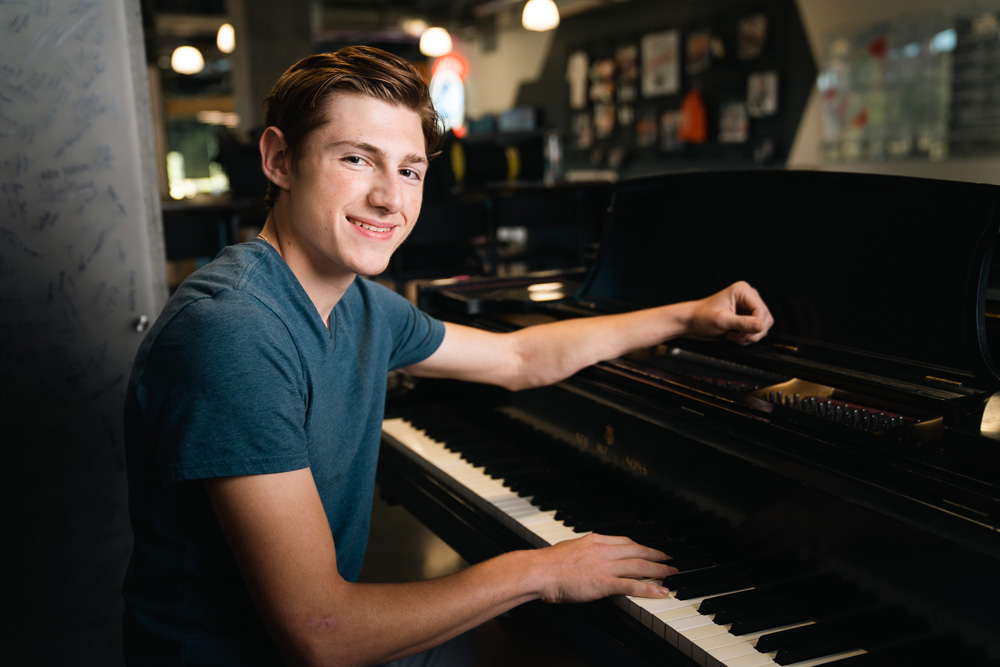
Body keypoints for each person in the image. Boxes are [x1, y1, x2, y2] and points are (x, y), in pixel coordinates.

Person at [122, 45, 774, 666]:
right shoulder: (232, 330)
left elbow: (519, 359)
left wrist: (687, 315)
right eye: (356, 159)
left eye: (409, 169)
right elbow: (323, 636)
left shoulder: (360, 306)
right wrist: (542, 568)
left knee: (549, 651)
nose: (390, 197)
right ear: (279, 159)